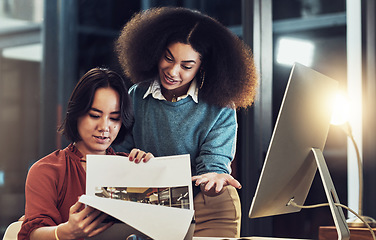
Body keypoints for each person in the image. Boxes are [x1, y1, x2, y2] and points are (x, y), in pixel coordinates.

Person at [115, 7, 258, 238]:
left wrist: (213, 176)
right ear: (156, 51)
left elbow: (214, 163)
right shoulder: (136, 96)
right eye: (168, 58)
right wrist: (132, 158)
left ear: (203, 66)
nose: (173, 71)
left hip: (198, 209)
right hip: (145, 204)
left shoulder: (220, 108)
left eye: (186, 66)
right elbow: (119, 152)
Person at [18, 68, 153, 240]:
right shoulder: (47, 170)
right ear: (77, 114)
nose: (104, 127)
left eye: (114, 118)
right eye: (95, 115)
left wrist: (153, 176)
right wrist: (62, 233)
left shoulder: (130, 166)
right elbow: (31, 234)